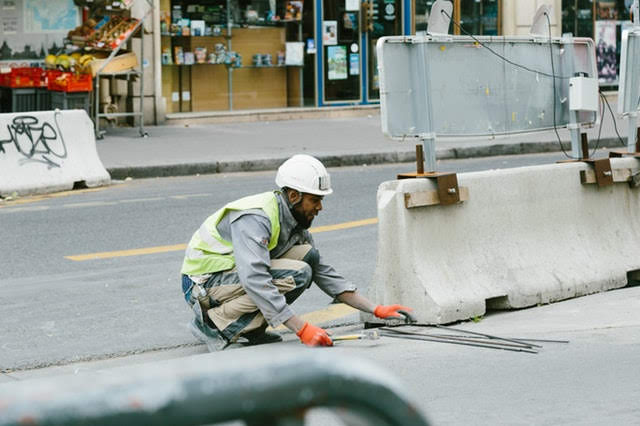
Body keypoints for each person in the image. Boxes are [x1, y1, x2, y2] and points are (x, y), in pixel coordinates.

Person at [180, 154, 412, 350]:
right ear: (294, 196)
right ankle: (214, 325)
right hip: (203, 285)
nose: (320, 207)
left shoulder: (292, 221)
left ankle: (249, 329)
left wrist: (375, 308)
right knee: (297, 273)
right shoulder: (256, 218)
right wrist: (301, 328)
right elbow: (255, 278)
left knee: (308, 257)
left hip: (227, 279)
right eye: (315, 200)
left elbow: (322, 271)